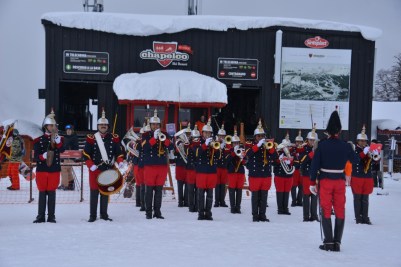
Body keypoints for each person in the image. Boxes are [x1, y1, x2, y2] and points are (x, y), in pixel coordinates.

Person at [310, 110, 359, 252]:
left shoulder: (321, 145)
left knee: (325, 209)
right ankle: (337, 242)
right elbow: (355, 160)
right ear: (340, 130)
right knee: (339, 209)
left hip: (325, 180)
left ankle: (328, 242)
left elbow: (314, 166)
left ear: (328, 131)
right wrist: (351, 148)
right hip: (339, 181)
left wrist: (312, 182)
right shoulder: (346, 145)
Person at [83, 109, 124, 222]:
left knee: (105, 193)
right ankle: (92, 215)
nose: (103, 126)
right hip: (95, 170)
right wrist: (90, 165)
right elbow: (86, 154)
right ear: (98, 126)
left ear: (108, 126)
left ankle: (104, 214)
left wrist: (120, 161)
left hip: (107, 169)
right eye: (101, 124)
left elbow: (118, 152)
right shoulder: (91, 138)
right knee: (94, 193)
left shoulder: (114, 138)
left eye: (105, 125)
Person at [33, 111, 64, 223]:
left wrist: (58, 142)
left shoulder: (59, 139)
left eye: (54, 125)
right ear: (45, 126)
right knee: (42, 193)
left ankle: (51, 216)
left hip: (54, 170)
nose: (53, 127)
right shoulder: (38, 140)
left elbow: (62, 150)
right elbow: (36, 156)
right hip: (42, 169)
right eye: (51, 125)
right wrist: (43, 156)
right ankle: (40, 216)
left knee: (51, 192)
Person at [141, 109, 173, 219]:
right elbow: (144, 148)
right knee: (149, 190)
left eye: (157, 124)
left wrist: (165, 141)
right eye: (153, 124)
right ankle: (148, 212)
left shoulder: (165, 134)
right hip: (150, 166)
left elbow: (171, 147)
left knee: (159, 190)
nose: (155, 126)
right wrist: (154, 138)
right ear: (150, 125)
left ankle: (157, 212)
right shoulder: (145, 135)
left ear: (160, 125)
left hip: (161, 166)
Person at [245, 119, 278, 222]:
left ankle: (262, 215)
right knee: (255, 197)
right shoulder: (251, 145)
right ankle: (255, 216)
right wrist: (258, 146)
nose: (260, 138)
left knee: (264, 197)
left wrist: (270, 147)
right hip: (255, 175)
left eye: (262, 136)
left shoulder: (268, 146)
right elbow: (247, 155)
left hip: (265, 175)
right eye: (258, 136)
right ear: (255, 137)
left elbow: (275, 158)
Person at [351, 126, 380, 225]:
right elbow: (355, 160)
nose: (363, 143)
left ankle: (365, 217)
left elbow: (375, 163)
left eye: (364, 141)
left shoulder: (369, 149)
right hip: (357, 177)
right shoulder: (354, 150)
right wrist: (364, 153)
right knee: (357, 198)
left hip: (367, 177)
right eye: (361, 141)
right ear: (357, 141)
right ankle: (358, 217)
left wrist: (376, 155)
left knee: (365, 198)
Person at [195, 117, 221, 220]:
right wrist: (205, 145)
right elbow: (197, 153)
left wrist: (217, 147)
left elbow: (218, 157)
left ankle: (208, 213)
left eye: (209, 133)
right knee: (200, 195)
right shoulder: (198, 142)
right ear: (202, 133)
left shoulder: (214, 143)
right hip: (201, 171)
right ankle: (201, 214)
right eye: (205, 133)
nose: (207, 135)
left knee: (210, 195)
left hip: (211, 172)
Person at [299, 125, 319, 222]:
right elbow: (302, 160)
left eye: (314, 140)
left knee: (314, 196)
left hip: (316, 175)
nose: (312, 142)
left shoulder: (319, 149)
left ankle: (314, 216)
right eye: (310, 140)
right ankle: (306, 216)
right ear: (307, 140)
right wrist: (312, 154)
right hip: (307, 174)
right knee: (306, 196)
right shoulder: (303, 148)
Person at [226, 129, 246, 214]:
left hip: (240, 172)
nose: (236, 145)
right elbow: (226, 161)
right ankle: (232, 207)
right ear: (232, 144)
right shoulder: (229, 151)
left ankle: (238, 207)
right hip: (232, 172)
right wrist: (234, 153)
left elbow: (245, 161)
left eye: (237, 143)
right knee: (232, 189)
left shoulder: (242, 150)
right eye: (234, 143)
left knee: (239, 190)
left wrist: (242, 156)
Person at [274, 133, 294, 215]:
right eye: (286, 146)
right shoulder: (278, 153)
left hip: (289, 175)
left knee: (287, 192)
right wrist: (280, 160)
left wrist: (292, 160)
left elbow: (297, 163)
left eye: (288, 146)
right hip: (279, 175)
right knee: (280, 191)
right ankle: (280, 209)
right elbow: (273, 163)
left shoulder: (292, 153)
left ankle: (285, 208)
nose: (288, 148)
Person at [174, 124, 191, 207]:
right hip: (180, 165)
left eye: (188, 134)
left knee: (187, 184)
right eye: (186, 134)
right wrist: (182, 146)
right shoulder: (179, 142)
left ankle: (187, 201)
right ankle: (180, 202)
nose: (188, 135)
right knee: (180, 185)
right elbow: (176, 152)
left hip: (188, 166)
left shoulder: (191, 143)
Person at [59, 124, 79, 190]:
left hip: (71, 157)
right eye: (67, 130)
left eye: (70, 130)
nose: (68, 131)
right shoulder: (65, 137)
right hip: (65, 157)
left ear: (72, 131)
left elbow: (76, 148)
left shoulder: (74, 138)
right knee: (68, 169)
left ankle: (65, 184)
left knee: (63, 168)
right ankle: (71, 183)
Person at [186, 125, 201, 213]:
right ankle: (191, 206)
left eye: (197, 137)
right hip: (191, 169)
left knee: (198, 189)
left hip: (198, 169)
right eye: (194, 137)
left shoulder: (200, 146)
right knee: (191, 189)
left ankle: (198, 205)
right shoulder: (188, 146)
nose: (196, 139)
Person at [214, 123, 229, 207]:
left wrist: (225, 146)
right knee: (217, 184)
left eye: (223, 136)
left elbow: (229, 154)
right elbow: (214, 153)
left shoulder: (227, 144)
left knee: (223, 184)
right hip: (217, 166)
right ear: (218, 136)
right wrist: (219, 146)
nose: (222, 137)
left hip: (224, 167)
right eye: (220, 136)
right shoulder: (215, 143)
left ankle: (222, 201)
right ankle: (216, 201)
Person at [291, 130, 304, 207]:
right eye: (297, 142)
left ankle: (300, 201)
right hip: (295, 170)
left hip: (302, 170)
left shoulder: (304, 149)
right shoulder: (292, 149)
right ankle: (293, 201)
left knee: (301, 186)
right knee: (293, 186)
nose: (298, 143)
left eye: (300, 142)